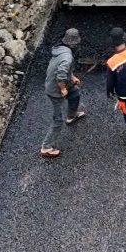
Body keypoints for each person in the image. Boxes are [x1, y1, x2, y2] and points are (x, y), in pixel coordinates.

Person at [38, 28, 83, 158]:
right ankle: (46, 147)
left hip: (62, 83)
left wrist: (72, 77)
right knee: (57, 121)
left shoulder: (60, 50)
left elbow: (64, 70)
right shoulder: (67, 56)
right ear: (74, 43)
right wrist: (63, 89)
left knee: (75, 93)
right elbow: (60, 74)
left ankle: (71, 116)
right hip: (54, 90)